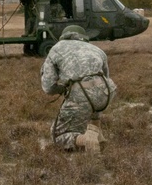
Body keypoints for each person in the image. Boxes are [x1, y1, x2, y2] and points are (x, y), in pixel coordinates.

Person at [40, 25, 116, 153]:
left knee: (57, 136)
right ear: (83, 37)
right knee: (95, 97)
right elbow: (104, 79)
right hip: (108, 90)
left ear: (63, 36)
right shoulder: (97, 49)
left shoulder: (56, 49)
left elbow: (48, 86)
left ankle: (86, 139)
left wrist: (62, 89)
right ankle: (98, 136)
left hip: (82, 93)